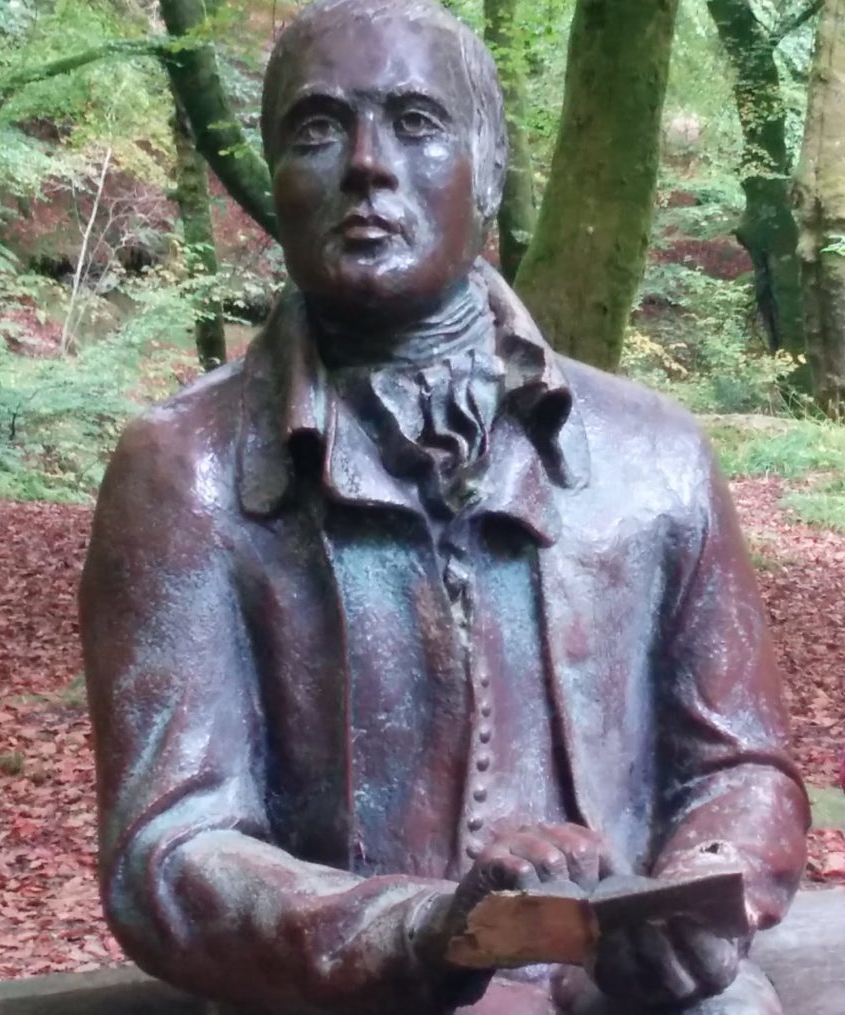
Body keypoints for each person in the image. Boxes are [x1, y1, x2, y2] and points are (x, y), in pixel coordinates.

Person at [79, 2, 809, 1012]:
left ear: (492, 168)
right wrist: (420, 928)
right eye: (318, 129)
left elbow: (743, 767)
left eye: (417, 122)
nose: (368, 165)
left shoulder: (655, 456)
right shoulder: (184, 472)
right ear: (275, 185)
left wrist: (695, 892)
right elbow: (168, 851)